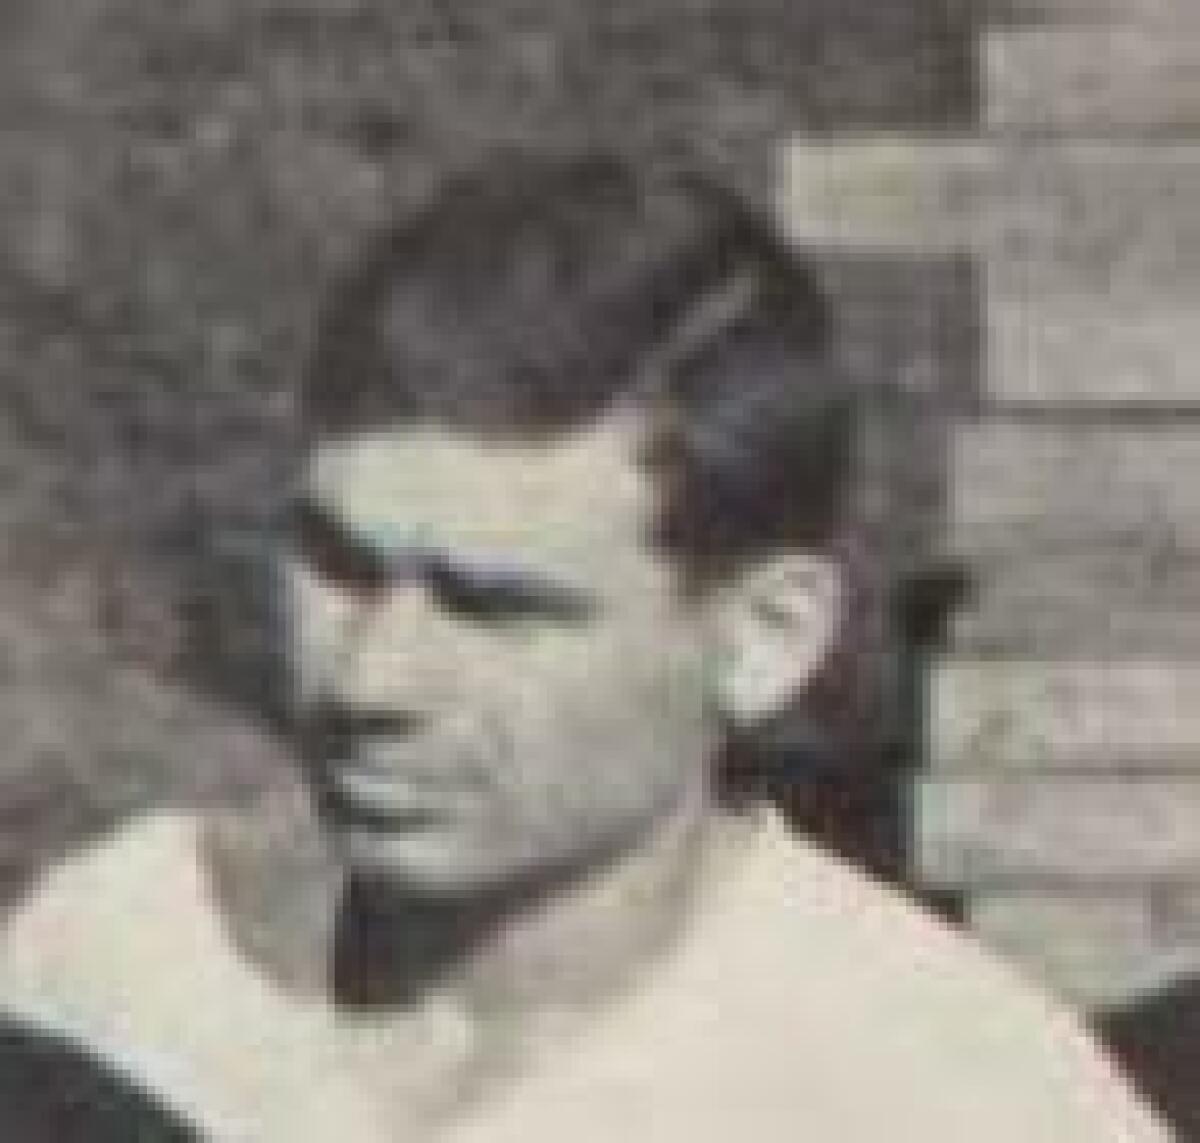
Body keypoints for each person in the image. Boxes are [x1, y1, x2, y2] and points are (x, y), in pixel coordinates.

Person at [0, 153, 1172, 1141]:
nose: (371, 680)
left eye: (496, 607)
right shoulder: (123, 956)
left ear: (763, 641)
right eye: (339, 566)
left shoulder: (954, 1096)